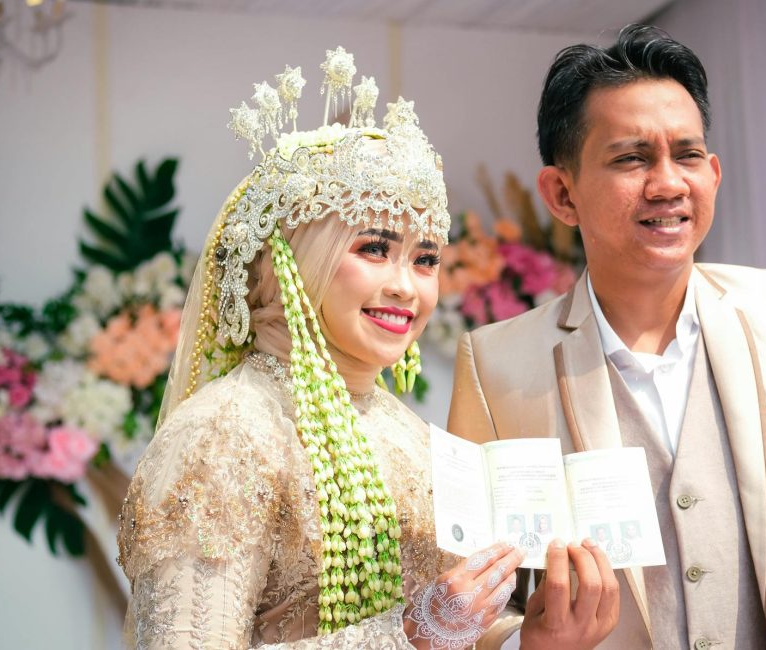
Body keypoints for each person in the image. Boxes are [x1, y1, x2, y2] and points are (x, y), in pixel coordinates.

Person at [448, 25, 766, 649]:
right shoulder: (495, 366)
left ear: (714, 172)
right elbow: (473, 606)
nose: (669, 183)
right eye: (632, 158)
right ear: (561, 194)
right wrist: (531, 643)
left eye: (688, 154)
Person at [116, 47, 526, 649]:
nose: (405, 287)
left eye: (426, 259)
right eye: (373, 249)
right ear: (292, 264)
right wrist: (409, 635)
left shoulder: (405, 433)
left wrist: (528, 635)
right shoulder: (225, 433)